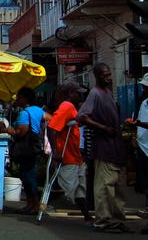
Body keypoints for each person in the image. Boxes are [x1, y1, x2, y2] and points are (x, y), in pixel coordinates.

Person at [78, 63, 131, 233]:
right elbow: (82, 117)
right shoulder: (95, 93)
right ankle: (104, 221)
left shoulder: (108, 93)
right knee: (104, 187)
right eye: (105, 75)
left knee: (117, 188)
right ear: (97, 76)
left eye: (109, 74)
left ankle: (117, 219)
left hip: (115, 148)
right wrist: (102, 127)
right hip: (104, 148)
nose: (108, 78)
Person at [46, 81, 93, 226]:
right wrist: (56, 151)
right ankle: (44, 204)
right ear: (71, 94)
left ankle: (87, 217)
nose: (80, 96)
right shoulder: (67, 106)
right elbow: (52, 128)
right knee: (71, 189)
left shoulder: (71, 107)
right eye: (77, 93)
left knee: (80, 188)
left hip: (76, 156)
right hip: (67, 156)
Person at [7, 87, 45, 214]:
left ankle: (35, 205)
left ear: (25, 98)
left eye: (19, 97)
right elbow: (50, 118)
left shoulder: (24, 113)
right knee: (27, 176)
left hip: (27, 148)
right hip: (34, 147)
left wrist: (8, 130)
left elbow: (21, 132)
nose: (17, 100)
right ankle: (30, 204)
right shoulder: (39, 110)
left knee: (29, 177)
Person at [126, 73, 148, 234]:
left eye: (146, 86)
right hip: (142, 149)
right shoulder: (144, 103)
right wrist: (134, 135)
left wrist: (139, 124)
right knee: (145, 187)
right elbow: (137, 122)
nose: (143, 88)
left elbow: (140, 122)